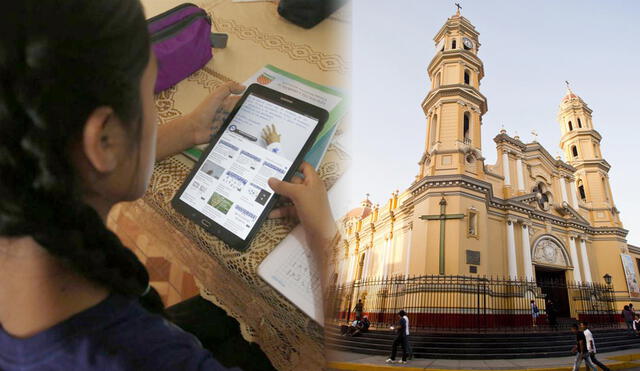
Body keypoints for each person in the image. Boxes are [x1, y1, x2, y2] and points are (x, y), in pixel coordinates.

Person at [0, 1, 337, 370]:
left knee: (223, 315)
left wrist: (190, 129)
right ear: (102, 140)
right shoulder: (147, 358)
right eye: (148, 97)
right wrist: (324, 239)